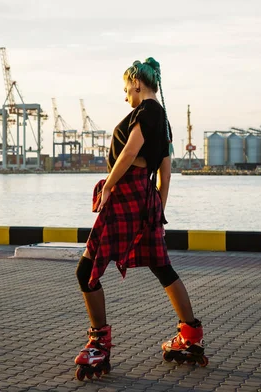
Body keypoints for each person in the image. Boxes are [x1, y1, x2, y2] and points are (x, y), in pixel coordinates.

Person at [73, 57, 207, 381]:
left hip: (127, 196)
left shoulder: (146, 113)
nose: (125, 96)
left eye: (125, 89)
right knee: (162, 268)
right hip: (145, 200)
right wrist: (156, 211)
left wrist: (108, 185)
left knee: (86, 270)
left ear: (136, 83)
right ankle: (190, 337)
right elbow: (166, 174)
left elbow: (130, 152)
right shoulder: (164, 121)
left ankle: (98, 345)